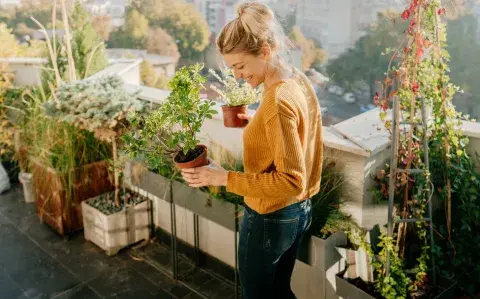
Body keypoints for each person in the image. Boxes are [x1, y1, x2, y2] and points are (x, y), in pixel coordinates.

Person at [181, 2, 323, 298]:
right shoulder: (295, 79)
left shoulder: (277, 102)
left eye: (241, 66)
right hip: (299, 211)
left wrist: (221, 178)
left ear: (266, 50)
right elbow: (299, 131)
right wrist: (257, 122)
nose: (236, 76)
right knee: (279, 292)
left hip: (271, 215)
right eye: (232, 69)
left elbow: (289, 180)